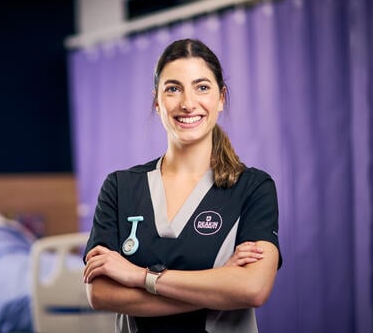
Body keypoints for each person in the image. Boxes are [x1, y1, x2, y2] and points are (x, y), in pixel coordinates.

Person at [83, 38, 282, 332]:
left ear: (221, 97)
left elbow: (253, 289)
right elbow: (100, 293)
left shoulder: (253, 187)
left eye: (202, 87)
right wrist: (219, 285)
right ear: (157, 101)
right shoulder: (119, 187)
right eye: (173, 89)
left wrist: (140, 276)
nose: (188, 103)